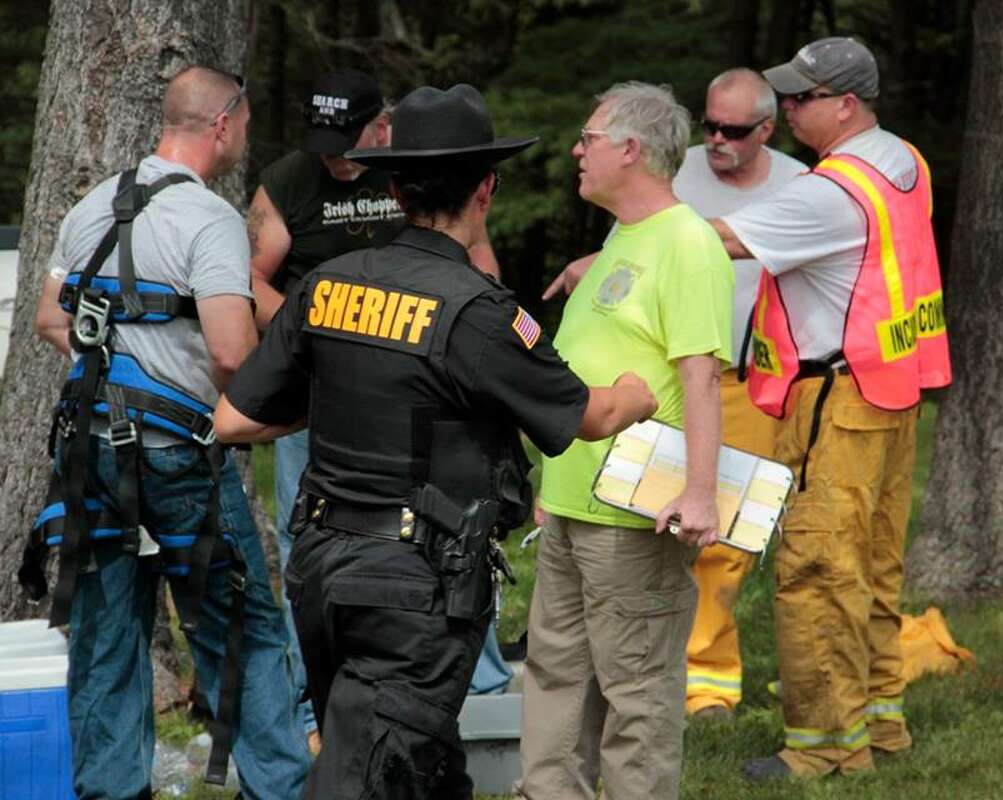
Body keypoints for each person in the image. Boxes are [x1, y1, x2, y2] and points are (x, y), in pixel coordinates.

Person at [212, 83, 658, 800]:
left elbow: (234, 420)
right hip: (414, 586)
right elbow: (591, 417)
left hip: (320, 573)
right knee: (369, 772)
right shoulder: (479, 314)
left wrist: (340, 404)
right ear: (485, 190)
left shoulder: (326, 286)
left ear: (394, 190)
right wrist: (641, 392)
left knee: (407, 754)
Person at [27, 66, 310, 799]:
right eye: (243, 124)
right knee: (239, 631)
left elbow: (50, 320)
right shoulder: (211, 220)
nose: (243, 135)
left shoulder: (93, 206)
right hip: (180, 461)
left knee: (105, 640)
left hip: (89, 460)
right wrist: (265, 414)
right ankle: (278, 789)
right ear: (222, 125)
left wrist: (116, 371)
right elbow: (229, 351)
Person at [706, 38, 952, 781]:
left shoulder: (830, 192)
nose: (787, 109)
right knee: (873, 565)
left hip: (837, 401)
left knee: (817, 568)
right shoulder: (903, 163)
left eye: (802, 98)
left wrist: (628, 241)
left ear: (846, 104)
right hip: (891, 391)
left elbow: (718, 241)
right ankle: (880, 723)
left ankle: (824, 750)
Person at [544, 67, 806, 721]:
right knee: (569, 673)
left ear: (766, 130)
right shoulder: (661, 191)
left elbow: (698, 371)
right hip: (591, 476)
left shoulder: (790, 189)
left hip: (744, 377)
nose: (716, 138)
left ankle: (711, 680)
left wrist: (696, 486)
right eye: (709, 124)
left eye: (734, 129)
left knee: (715, 541)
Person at [517, 82, 733, 800]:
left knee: (634, 698)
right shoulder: (619, 241)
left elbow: (700, 378)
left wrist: (701, 493)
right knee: (555, 682)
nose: (577, 151)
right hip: (576, 508)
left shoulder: (688, 244)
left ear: (632, 150)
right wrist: (552, 487)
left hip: (634, 518)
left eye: (590, 139)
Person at [246, 67, 404, 744]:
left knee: (417, 533)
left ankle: (446, 686)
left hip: (404, 383)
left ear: (383, 126)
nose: (335, 154)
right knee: (305, 537)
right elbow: (248, 275)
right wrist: (318, 335)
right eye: (325, 141)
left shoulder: (410, 170)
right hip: (316, 382)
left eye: (349, 139)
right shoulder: (288, 181)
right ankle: (314, 705)